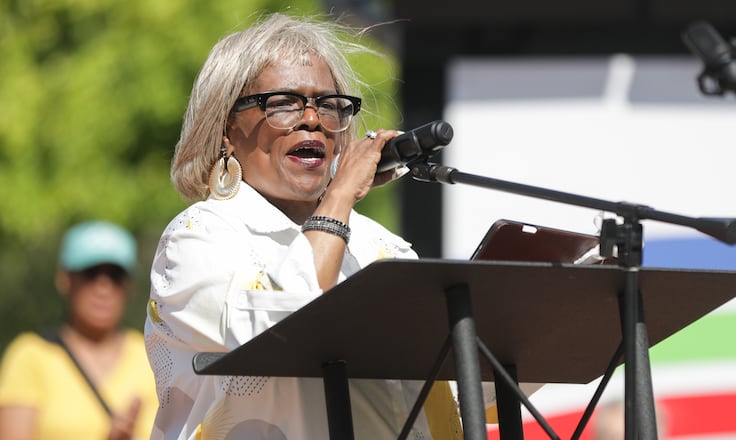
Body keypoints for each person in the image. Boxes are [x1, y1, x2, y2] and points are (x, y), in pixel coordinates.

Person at [144, 12, 462, 440]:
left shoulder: (380, 247)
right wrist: (340, 195)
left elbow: (464, 385)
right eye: (282, 103)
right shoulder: (197, 239)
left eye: (328, 105)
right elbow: (291, 323)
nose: (312, 119)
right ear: (225, 129)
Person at [0, 220, 158, 440]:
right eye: (91, 274)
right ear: (65, 280)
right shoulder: (30, 356)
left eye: (115, 276)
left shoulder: (154, 355)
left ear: (128, 286)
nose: (103, 288)